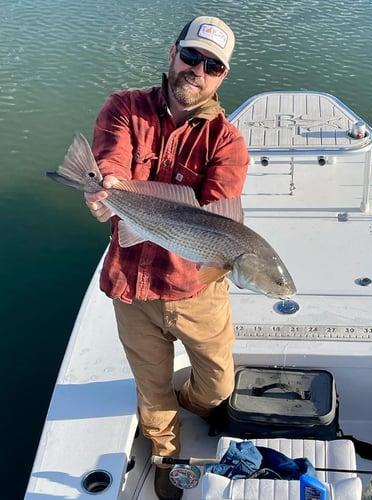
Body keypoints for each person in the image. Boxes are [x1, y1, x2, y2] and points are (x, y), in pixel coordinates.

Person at [84, 16, 249, 500]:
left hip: (195, 288)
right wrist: (106, 187)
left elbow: (217, 220)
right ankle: (165, 450)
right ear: (173, 53)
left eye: (212, 65)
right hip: (129, 287)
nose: (197, 70)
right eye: (192, 55)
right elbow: (111, 158)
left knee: (218, 386)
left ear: (222, 77)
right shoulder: (125, 107)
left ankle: (194, 403)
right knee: (151, 389)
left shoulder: (227, 142)